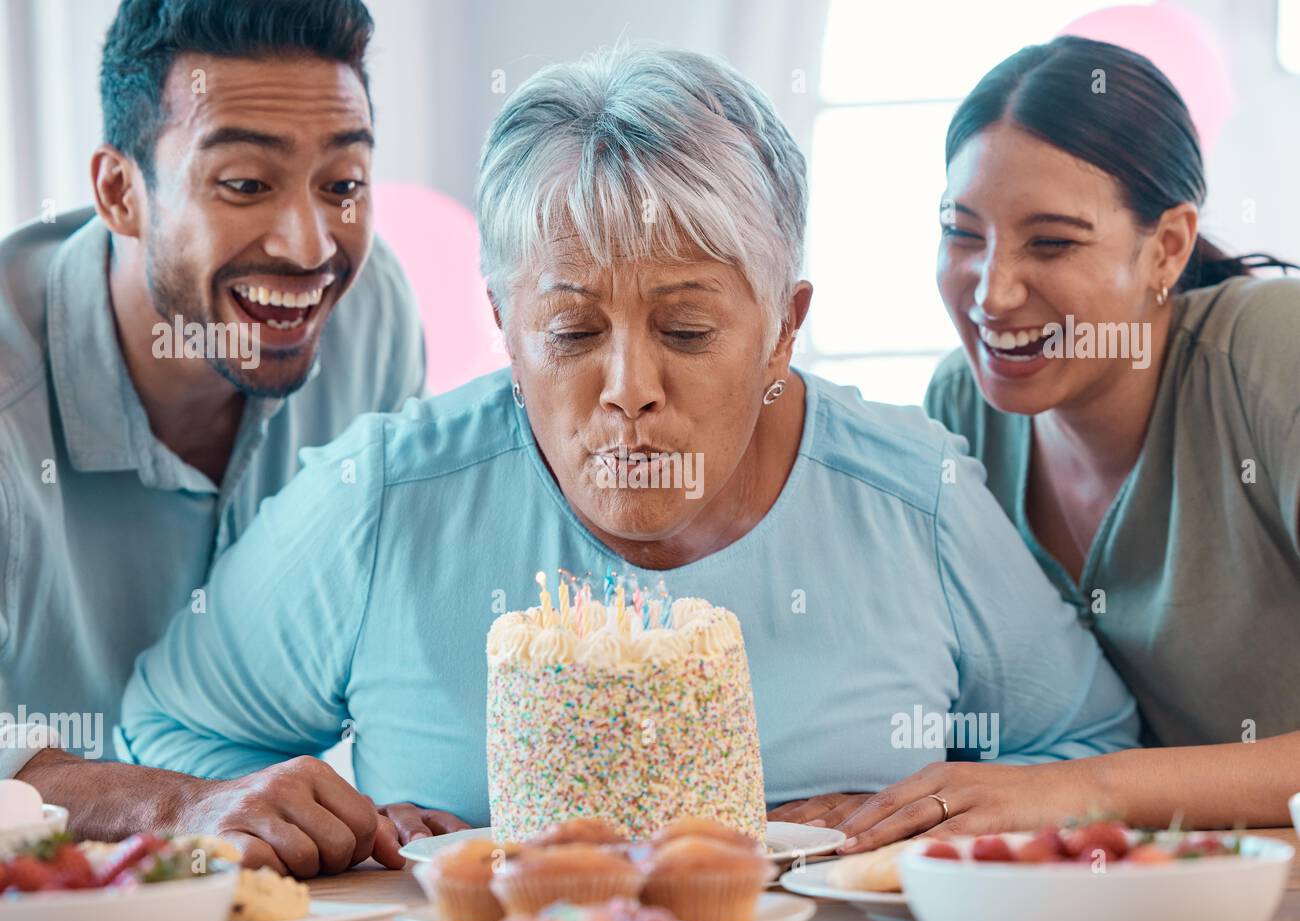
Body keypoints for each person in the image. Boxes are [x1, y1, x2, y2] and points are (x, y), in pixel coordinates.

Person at [118, 46, 1140, 876]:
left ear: (782, 330)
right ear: (504, 330)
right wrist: (312, 821)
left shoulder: (912, 494)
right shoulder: (382, 496)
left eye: (687, 329)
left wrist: (950, 813)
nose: (627, 387)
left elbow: (1090, 747)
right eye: (568, 332)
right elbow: (166, 735)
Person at [788, 36, 1300, 851]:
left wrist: (1073, 789)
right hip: (1132, 883)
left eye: (1052, 242)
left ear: (1165, 247)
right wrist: (887, 795)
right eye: (963, 233)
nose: (993, 291)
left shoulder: (1274, 354)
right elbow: (982, 706)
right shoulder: (965, 407)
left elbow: (1058, 781)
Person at [1, 0, 428, 872]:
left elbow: (381, 643)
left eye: (342, 185)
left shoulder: (371, 314)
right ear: (121, 193)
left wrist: (392, 803)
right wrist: (177, 803)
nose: (311, 246)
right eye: (245, 184)